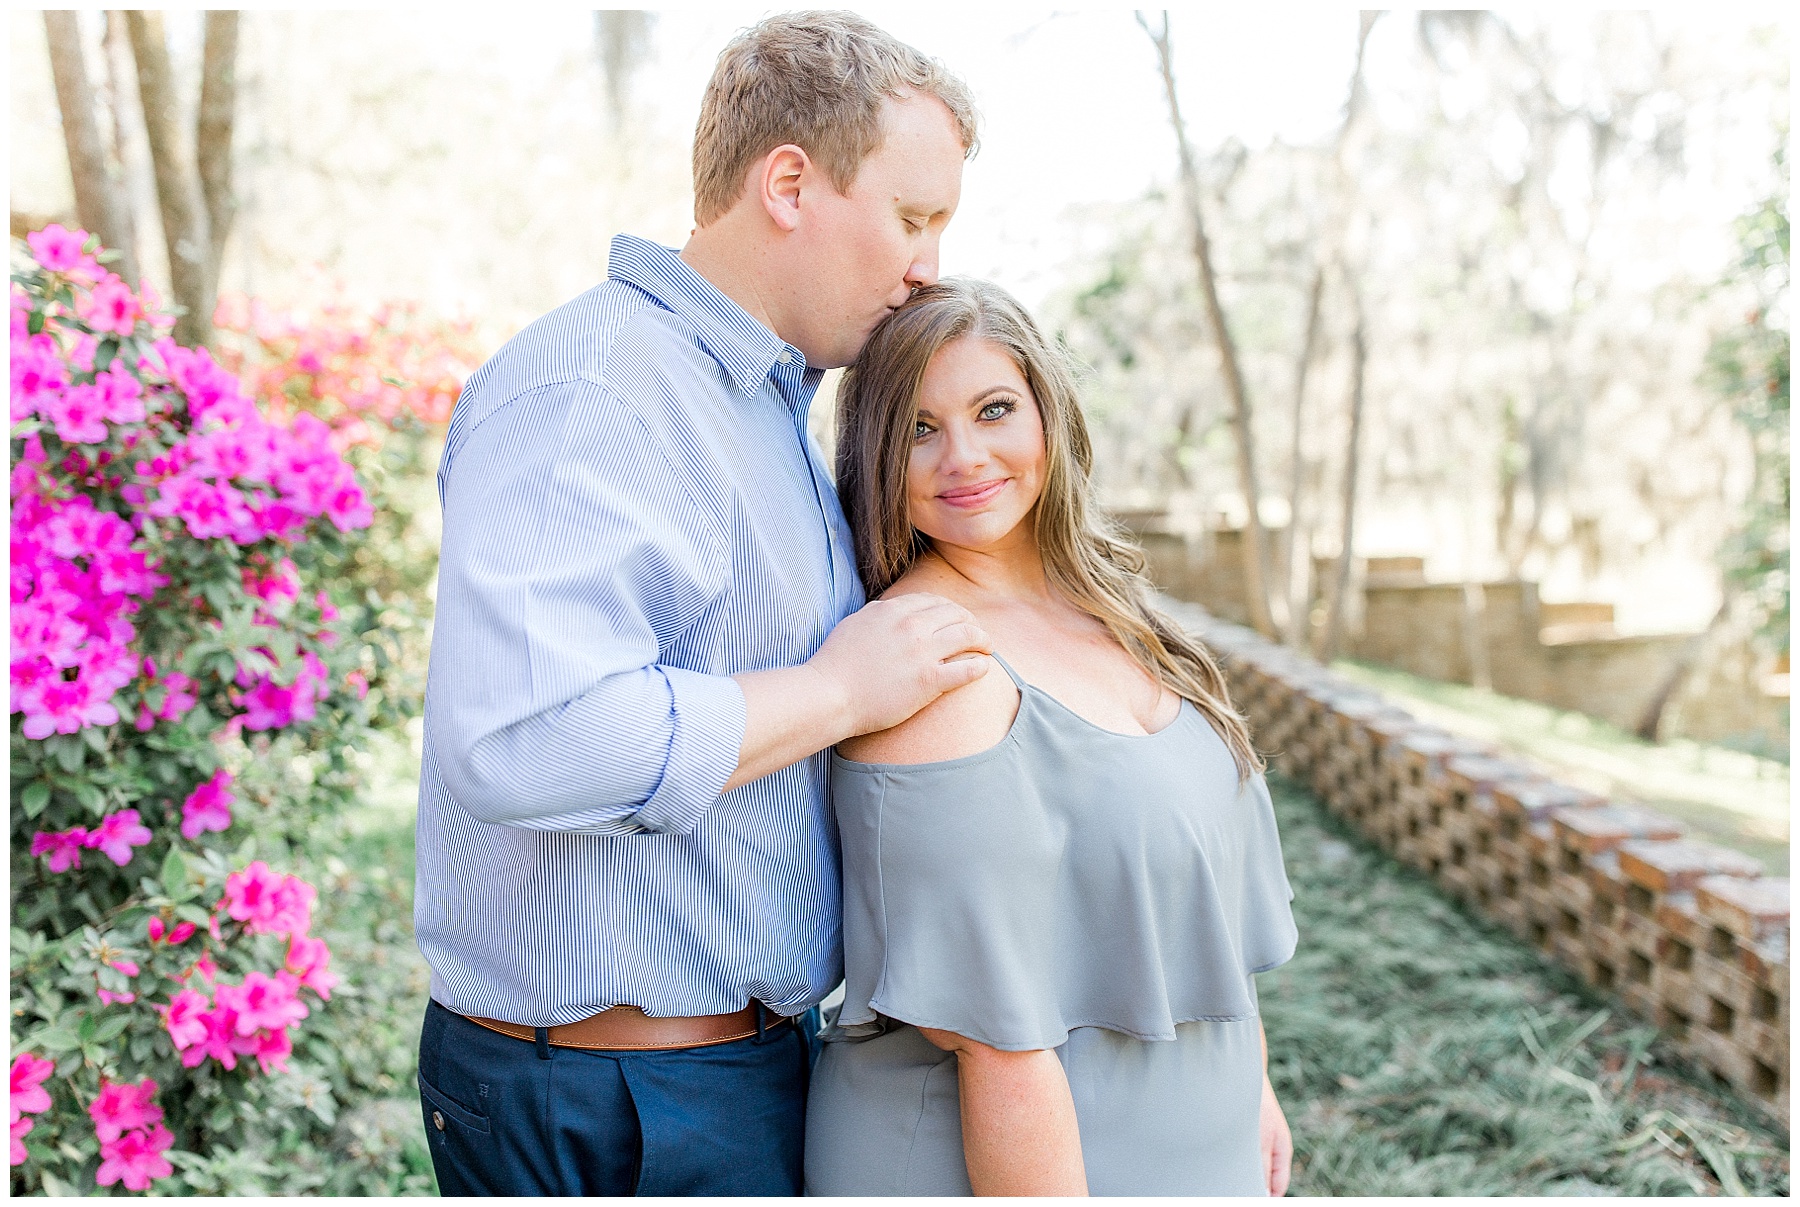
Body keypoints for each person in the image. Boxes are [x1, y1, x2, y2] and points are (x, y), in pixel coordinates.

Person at [412, 13, 989, 1196]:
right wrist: (837, 692)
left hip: (728, 1074)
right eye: (913, 217)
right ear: (789, 182)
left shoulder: (763, 407)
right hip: (617, 1103)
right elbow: (526, 737)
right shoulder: (601, 387)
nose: (928, 264)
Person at [803, 278, 1300, 1196]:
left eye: (995, 409)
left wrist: (1247, 1088)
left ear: (1048, 414)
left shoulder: (1123, 617)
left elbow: (1199, 915)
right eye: (919, 428)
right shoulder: (933, 663)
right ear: (875, 453)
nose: (964, 456)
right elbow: (999, 1042)